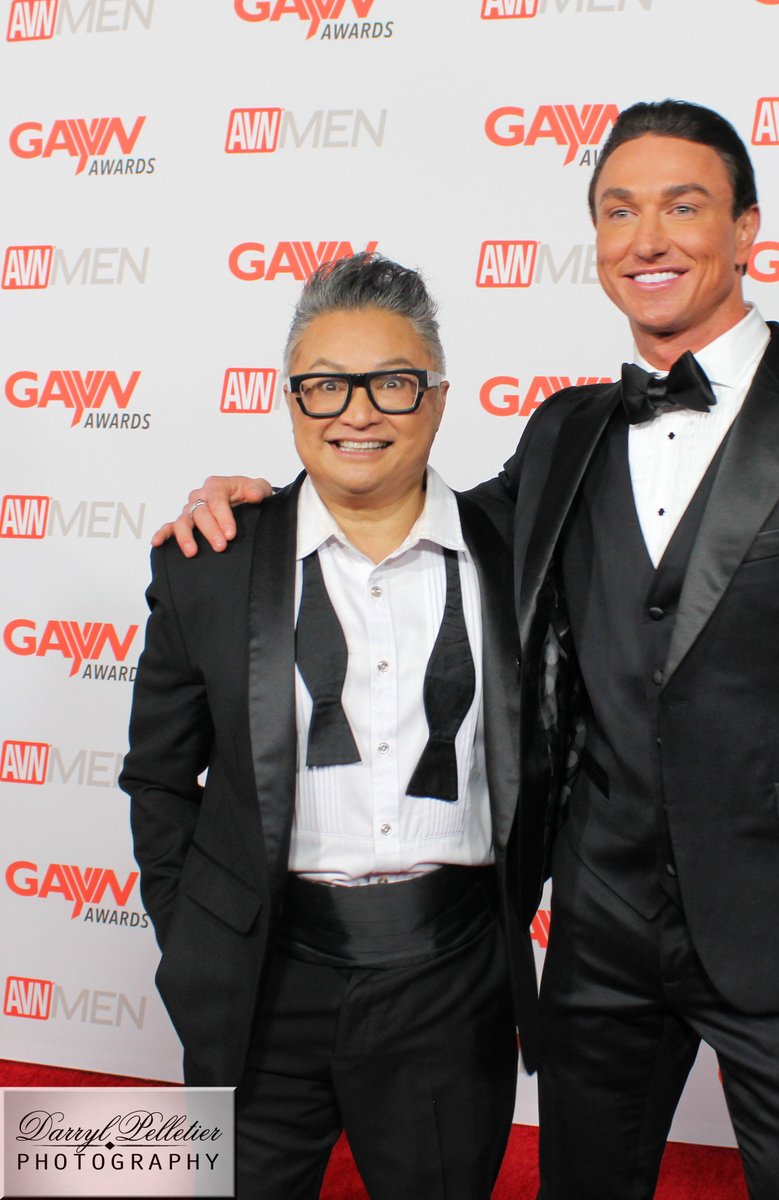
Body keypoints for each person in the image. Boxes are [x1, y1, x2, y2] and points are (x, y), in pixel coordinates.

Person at [158, 101, 779, 1200]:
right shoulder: (566, 429)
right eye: (618, 209)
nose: (645, 236)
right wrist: (261, 516)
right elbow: (411, 515)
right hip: (598, 941)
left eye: (682, 205)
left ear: (748, 230)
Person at [121, 253, 545, 1200]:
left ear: (437, 398)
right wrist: (200, 936)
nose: (356, 414)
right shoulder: (210, 560)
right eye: (324, 387)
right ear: (290, 401)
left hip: (451, 983)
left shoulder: (521, 553)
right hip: (261, 982)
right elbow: (157, 779)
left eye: (391, 384)